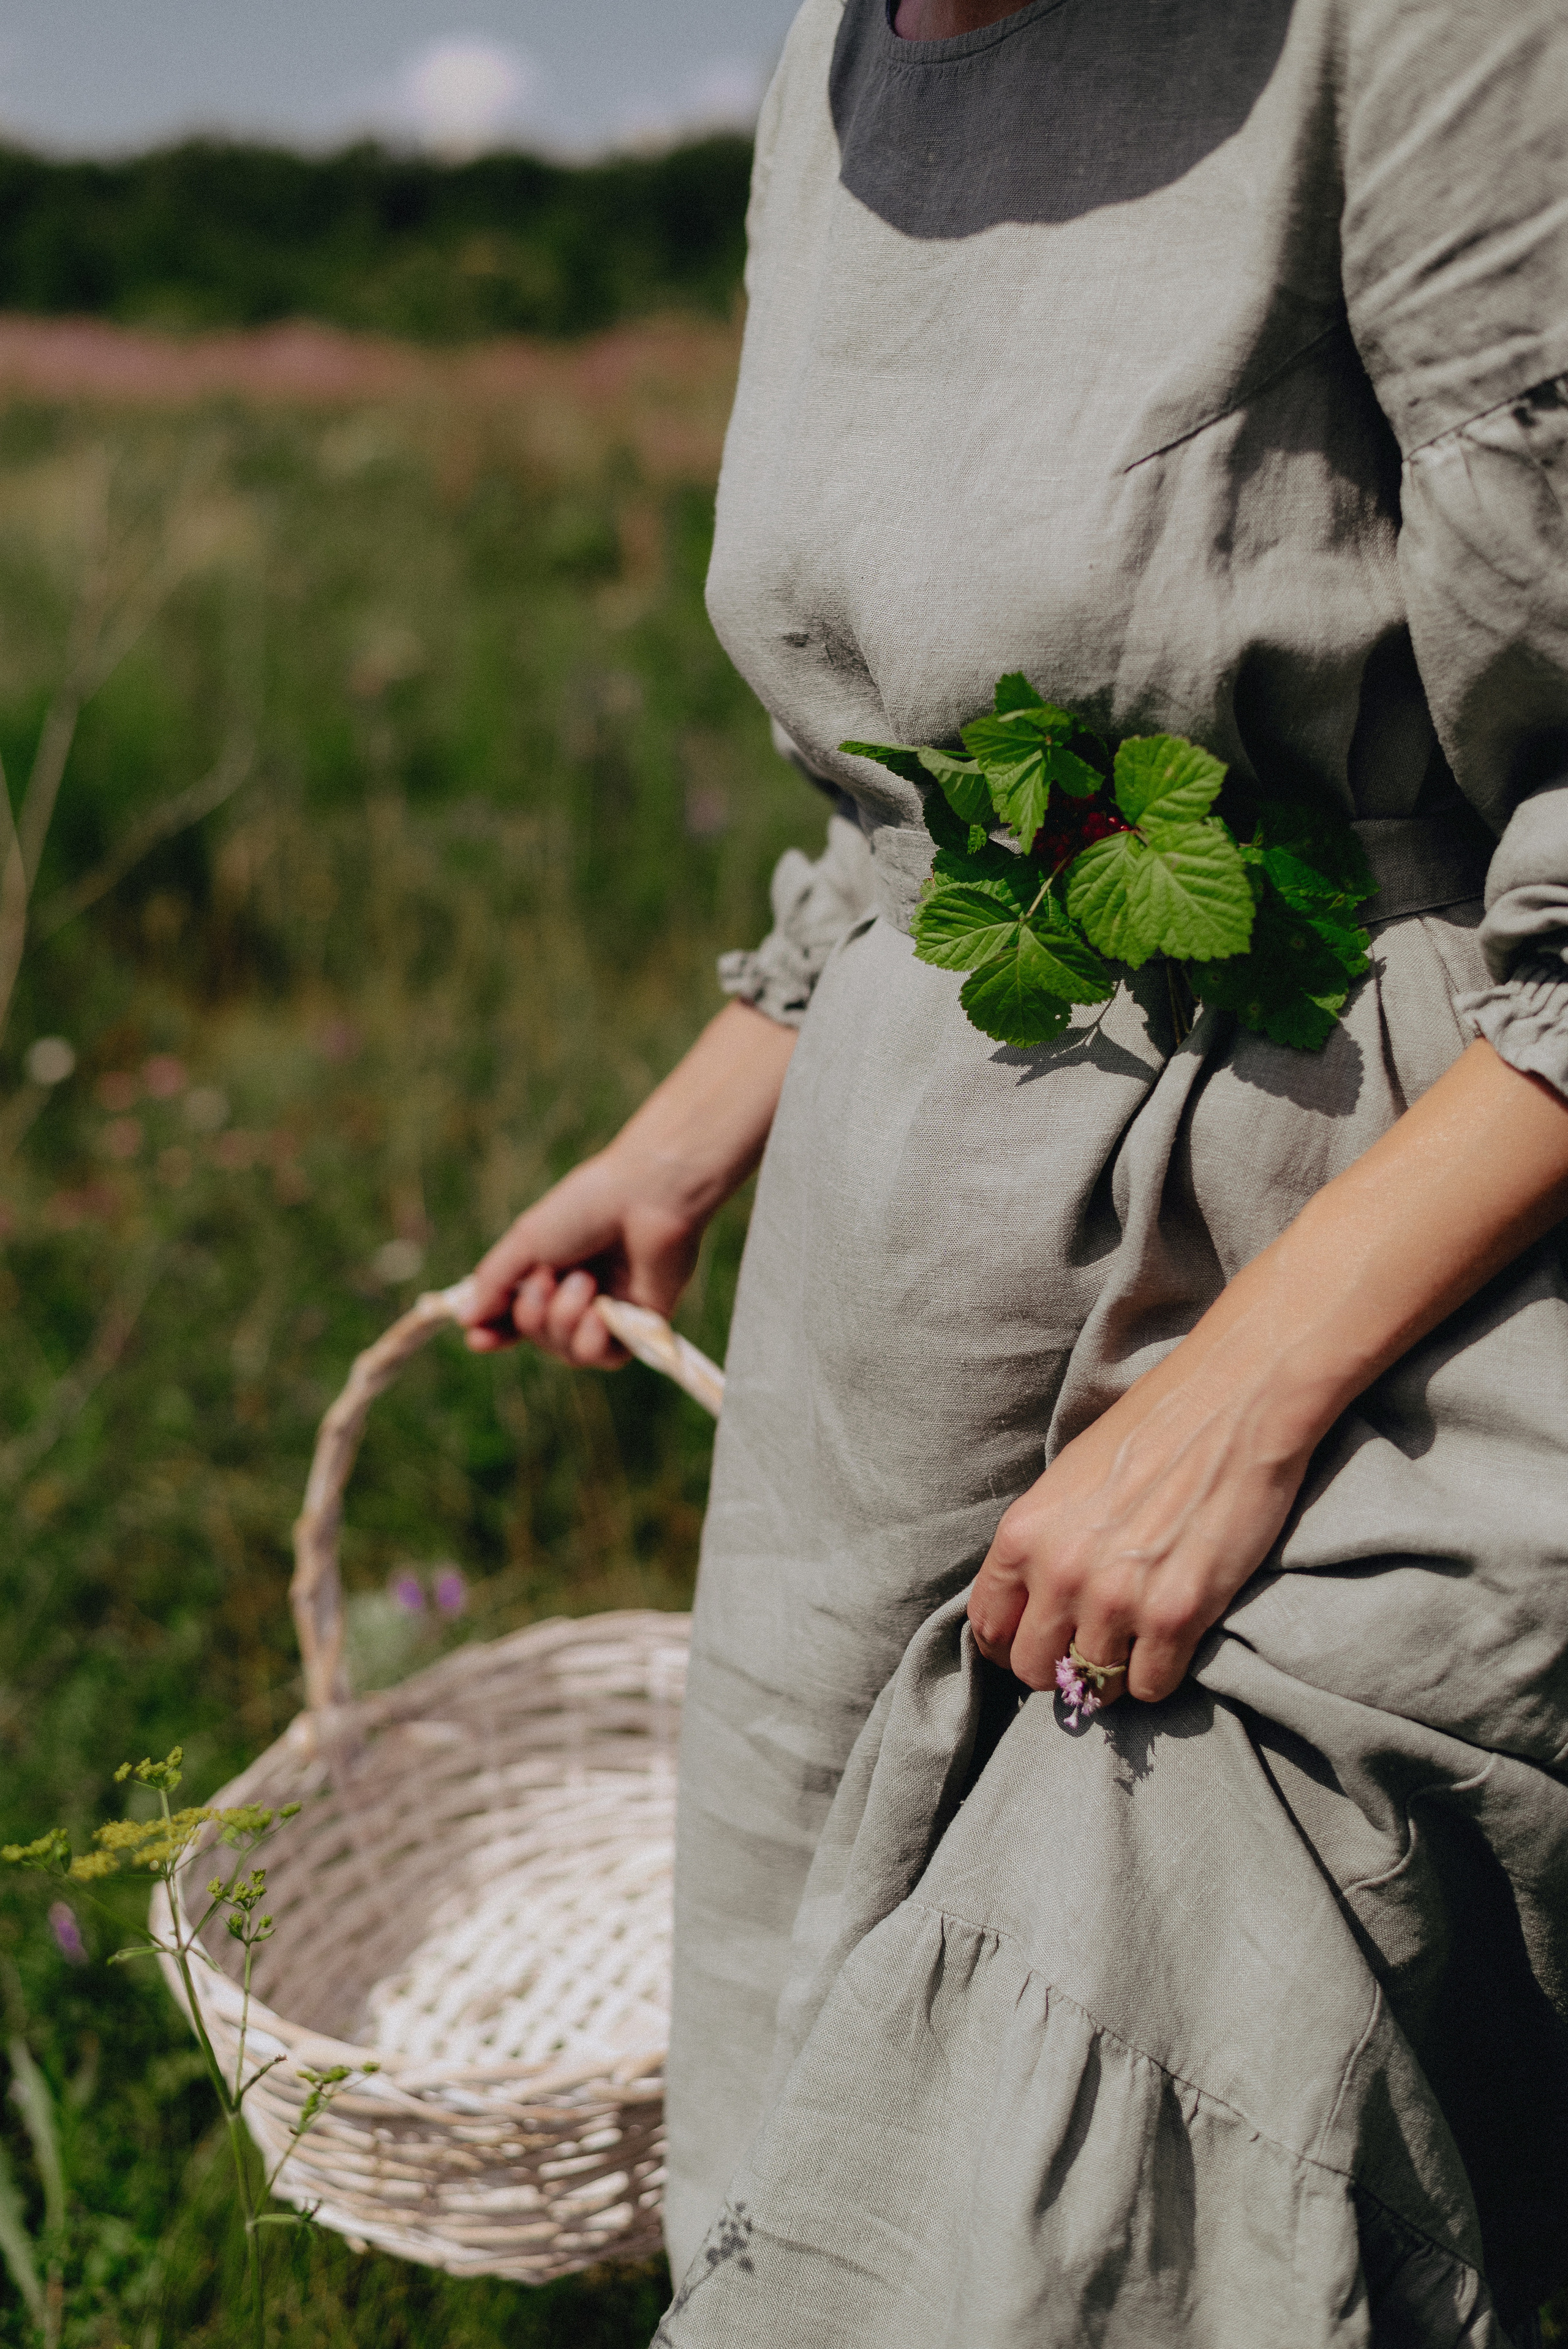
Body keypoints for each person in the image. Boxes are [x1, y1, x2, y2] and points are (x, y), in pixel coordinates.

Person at [460, 0, 1568, 2337]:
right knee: (821, 2136)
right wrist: (707, 1109)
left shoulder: (1430, 33)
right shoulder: (836, 66)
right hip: (882, 1335)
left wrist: (1244, 1400)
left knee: (1130, 2211)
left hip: (1351, 1295)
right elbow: (929, 775)